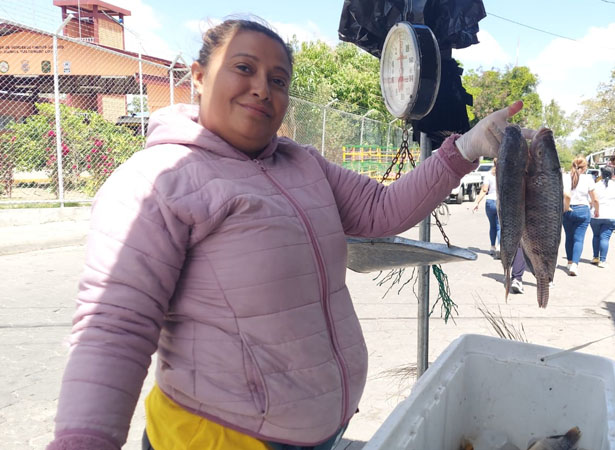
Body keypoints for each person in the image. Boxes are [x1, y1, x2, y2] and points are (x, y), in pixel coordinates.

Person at [47, 18, 526, 450]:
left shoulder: (301, 162)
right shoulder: (156, 180)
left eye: (278, 80)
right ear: (199, 77)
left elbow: (381, 209)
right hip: (220, 437)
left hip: (318, 432)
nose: (262, 88)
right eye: (244, 68)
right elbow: (114, 327)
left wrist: (468, 146)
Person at [562, 156, 596, 276]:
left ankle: (569, 261)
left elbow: (565, 195)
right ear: (585, 167)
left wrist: (566, 207)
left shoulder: (565, 177)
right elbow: (594, 198)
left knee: (569, 237)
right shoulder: (588, 179)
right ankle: (575, 265)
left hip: (567, 209)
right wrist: (593, 207)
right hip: (582, 210)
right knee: (579, 239)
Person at [590, 166, 615, 268]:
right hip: (611, 216)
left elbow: (591, 200)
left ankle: (595, 257)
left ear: (601, 174)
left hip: (596, 216)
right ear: (612, 175)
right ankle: (602, 261)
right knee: (604, 238)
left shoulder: (595, 185)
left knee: (596, 236)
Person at [472, 162, 500, 258]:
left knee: (492, 226)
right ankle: (500, 246)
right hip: (500, 202)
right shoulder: (504, 174)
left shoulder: (488, 175)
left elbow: (484, 190)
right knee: (499, 226)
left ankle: (492, 247)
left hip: (490, 202)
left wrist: (477, 202)